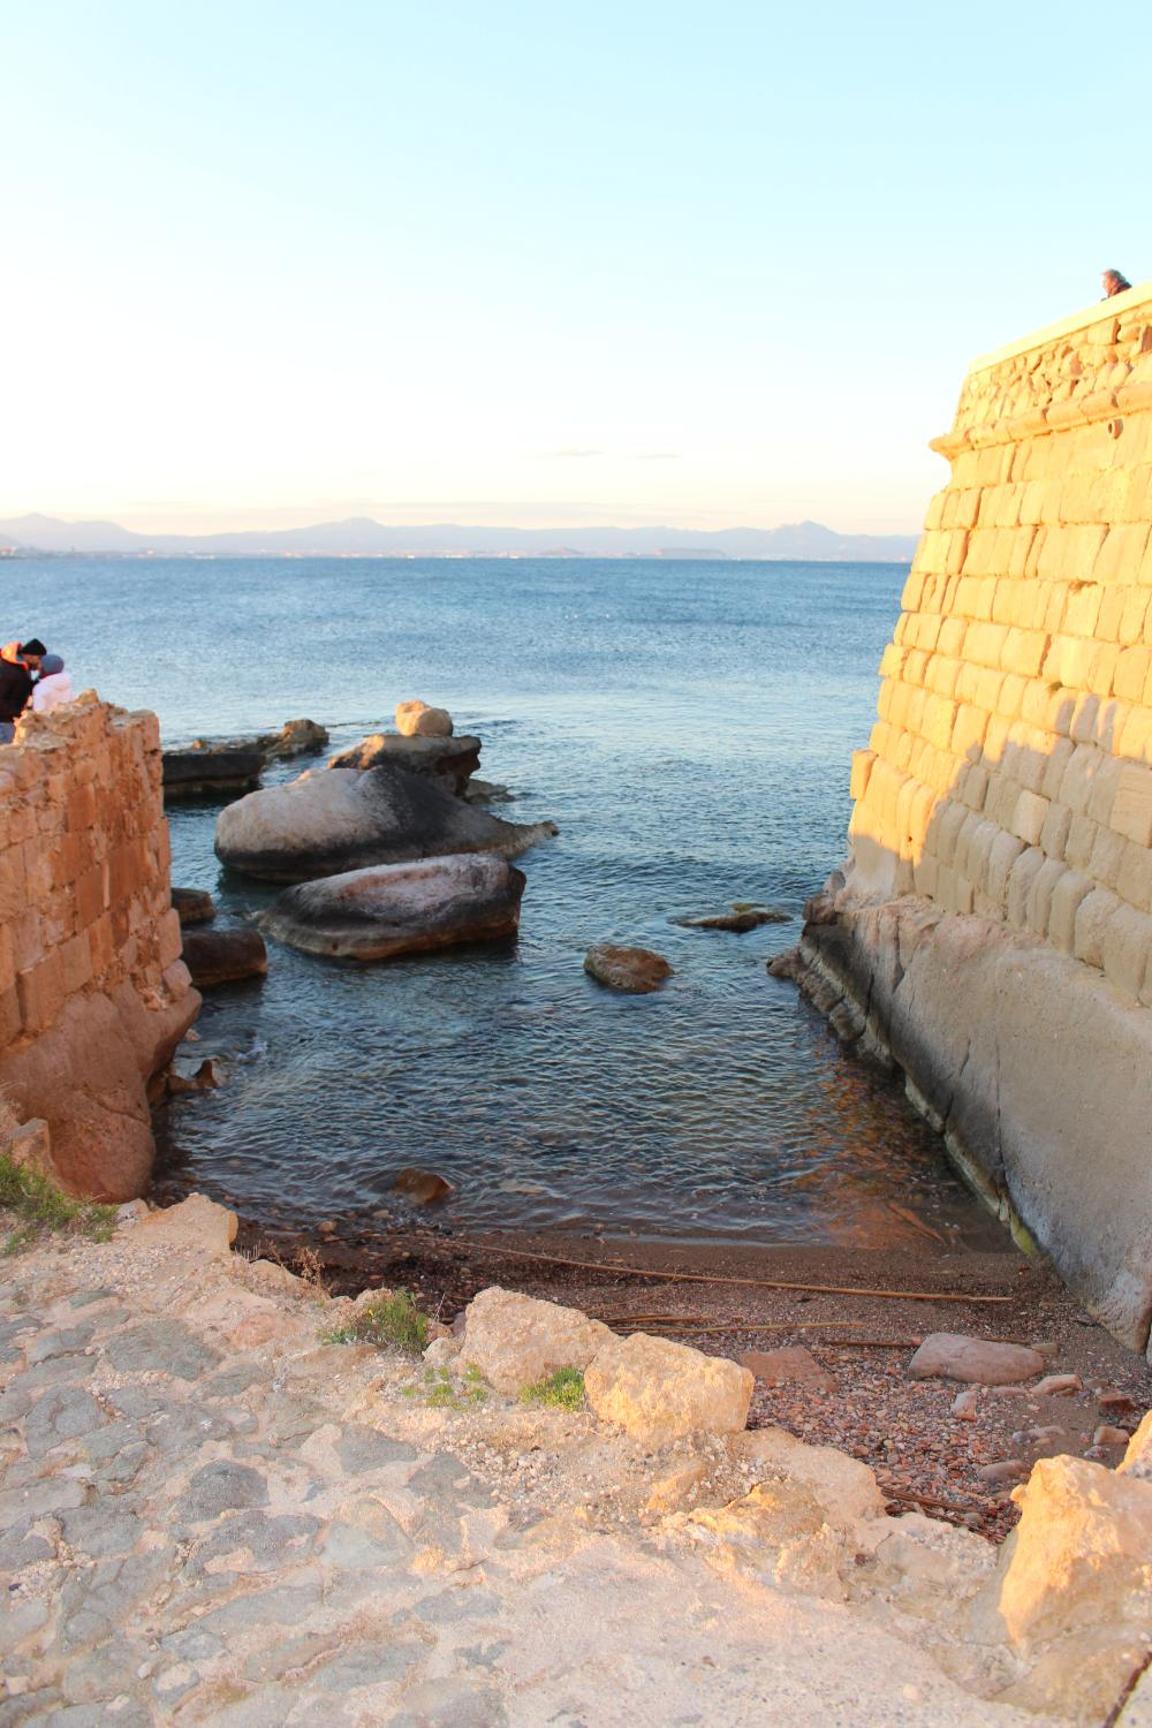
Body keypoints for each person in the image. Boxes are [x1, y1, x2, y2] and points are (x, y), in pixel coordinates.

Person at [0, 639, 42, 743]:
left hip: (9, 718)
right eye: (40, 658)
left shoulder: (21, 667)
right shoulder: (8, 671)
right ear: (30, 656)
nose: (41, 662)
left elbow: (22, 686)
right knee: (6, 749)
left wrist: (39, 680)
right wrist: (18, 712)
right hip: (4, 720)